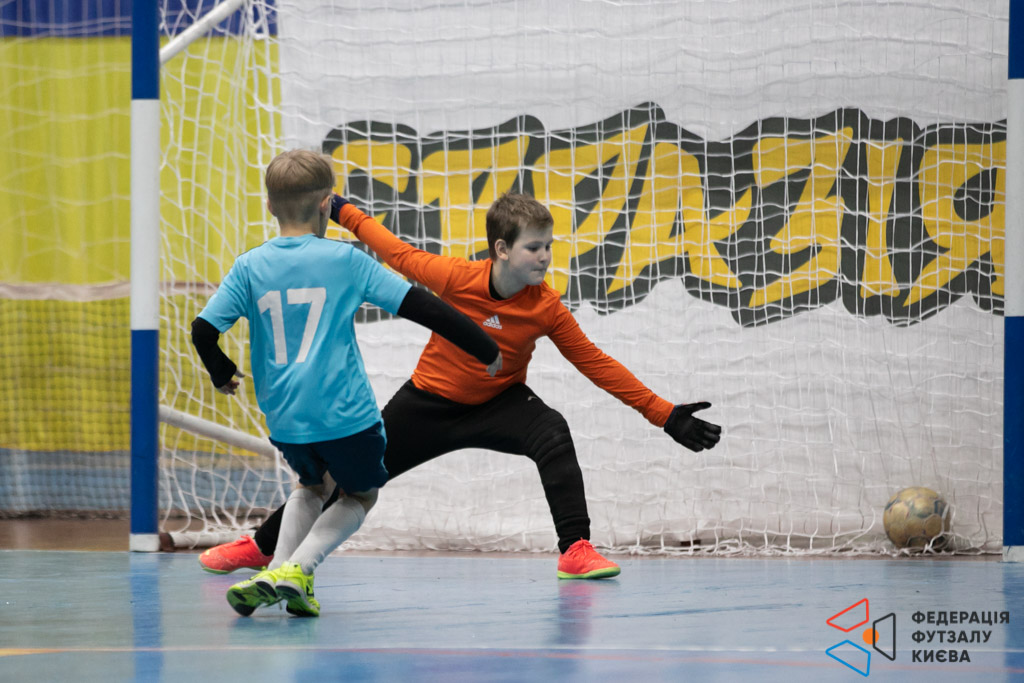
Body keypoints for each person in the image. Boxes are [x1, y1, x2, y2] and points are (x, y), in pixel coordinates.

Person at [199, 190, 722, 582]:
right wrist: (342, 210)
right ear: (501, 249)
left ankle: (575, 549)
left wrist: (663, 414)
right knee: (345, 476)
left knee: (554, 433)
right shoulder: (456, 278)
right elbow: (397, 253)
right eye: (534, 248)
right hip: (427, 403)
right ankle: (263, 546)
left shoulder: (546, 307)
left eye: (549, 247)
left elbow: (594, 361)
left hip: (501, 402)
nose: (545, 257)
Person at [191, 149, 500, 617]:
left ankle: (276, 573)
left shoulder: (249, 266)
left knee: (311, 485)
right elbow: (423, 307)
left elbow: (202, 330)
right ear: (326, 204)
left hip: (285, 416)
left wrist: (221, 371)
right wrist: (485, 347)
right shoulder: (345, 260)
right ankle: (298, 568)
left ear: (269, 206)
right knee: (360, 494)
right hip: (345, 413)